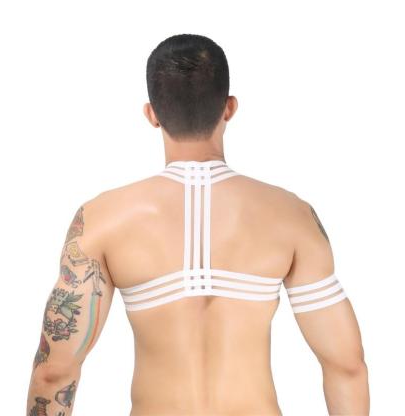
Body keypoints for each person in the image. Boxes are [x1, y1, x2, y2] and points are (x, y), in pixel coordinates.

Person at [26, 33, 370, 416]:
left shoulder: (101, 219)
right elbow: (346, 366)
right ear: (229, 107)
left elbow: (54, 372)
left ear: (152, 114)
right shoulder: (292, 216)